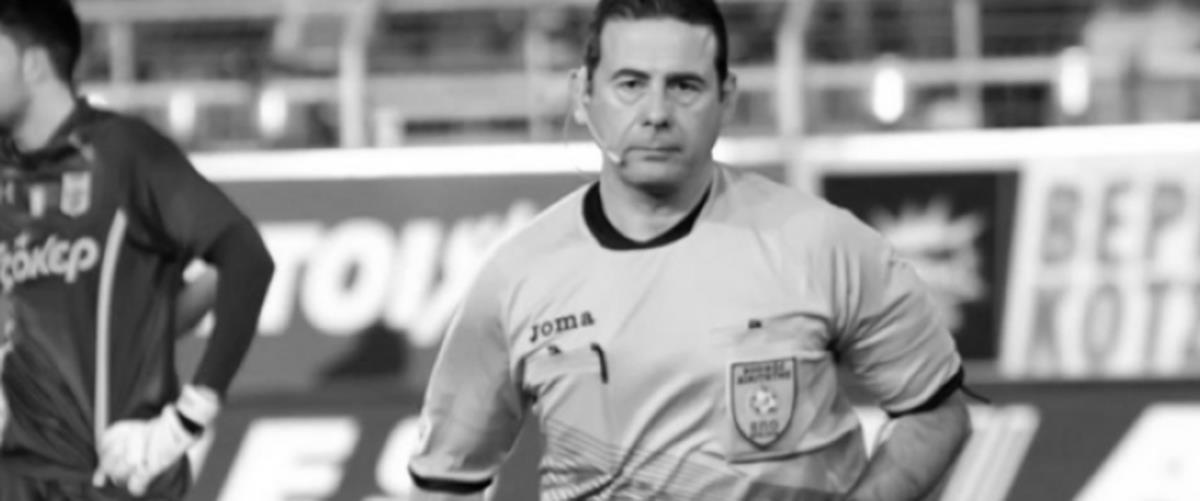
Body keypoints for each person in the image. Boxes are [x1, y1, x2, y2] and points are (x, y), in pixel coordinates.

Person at [408, 0, 971, 499]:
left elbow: (935, 414)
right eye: (631, 84)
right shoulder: (515, 278)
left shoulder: (824, 244)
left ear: (726, 99)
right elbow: (445, 482)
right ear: (583, 95)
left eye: (684, 86)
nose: (656, 113)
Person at [0, 0, 275, 499]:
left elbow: (246, 257)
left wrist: (186, 419)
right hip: (19, 477)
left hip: (117, 478)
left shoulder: (123, 153)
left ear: (33, 62)